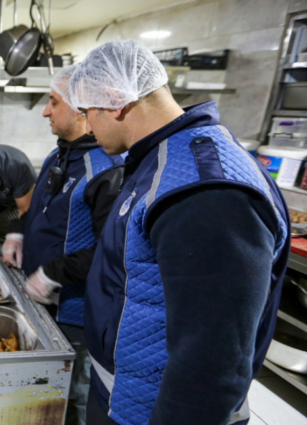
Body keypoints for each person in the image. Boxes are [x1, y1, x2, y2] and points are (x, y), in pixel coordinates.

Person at [68, 40, 289, 425]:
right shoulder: (159, 162)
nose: (86, 126)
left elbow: (212, 361)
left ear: (114, 102)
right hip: (124, 396)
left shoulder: (207, 192)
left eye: (87, 112)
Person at [2, 65, 124, 425]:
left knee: (77, 393)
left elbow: (113, 250)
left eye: (54, 102)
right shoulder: (59, 156)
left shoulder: (108, 170)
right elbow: (40, 209)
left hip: (77, 311)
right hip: (44, 303)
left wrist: (54, 272)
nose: (45, 111)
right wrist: (18, 231)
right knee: (49, 390)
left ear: (82, 109)